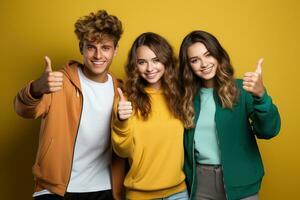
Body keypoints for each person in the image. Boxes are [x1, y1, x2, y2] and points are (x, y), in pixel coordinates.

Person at [14, 10, 125, 200]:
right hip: (56, 188)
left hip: (106, 189)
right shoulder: (58, 82)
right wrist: (36, 88)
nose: (98, 55)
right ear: (81, 47)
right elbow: (22, 109)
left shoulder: (121, 91)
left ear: (115, 50)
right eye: (91, 47)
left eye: (105, 48)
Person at [179, 30, 281, 200]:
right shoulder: (186, 98)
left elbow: (268, 131)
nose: (204, 64)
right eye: (195, 60)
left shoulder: (242, 89)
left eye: (208, 55)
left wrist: (261, 96)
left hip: (241, 182)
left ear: (218, 54)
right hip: (200, 182)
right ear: (188, 66)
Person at [111, 32, 189, 200]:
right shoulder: (126, 101)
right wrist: (121, 122)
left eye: (156, 60)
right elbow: (122, 151)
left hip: (179, 193)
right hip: (140, 195)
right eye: (142, 62)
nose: (150, 68)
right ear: (135, 66)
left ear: (166, 61)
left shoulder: (179, 96)